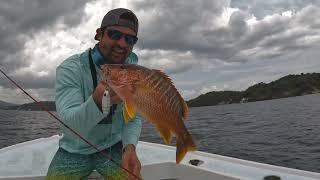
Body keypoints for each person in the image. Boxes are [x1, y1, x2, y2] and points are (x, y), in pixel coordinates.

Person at [46, 8, 142, 180]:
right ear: (99, 34)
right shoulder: (70, 69)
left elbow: (133, 118)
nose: (122, 44)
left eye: (129, 39)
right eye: (114, 35)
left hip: (113, 147)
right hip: (74, 150)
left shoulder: (132, 72)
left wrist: (129, 147)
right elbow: (70, 124)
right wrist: (97, 102)